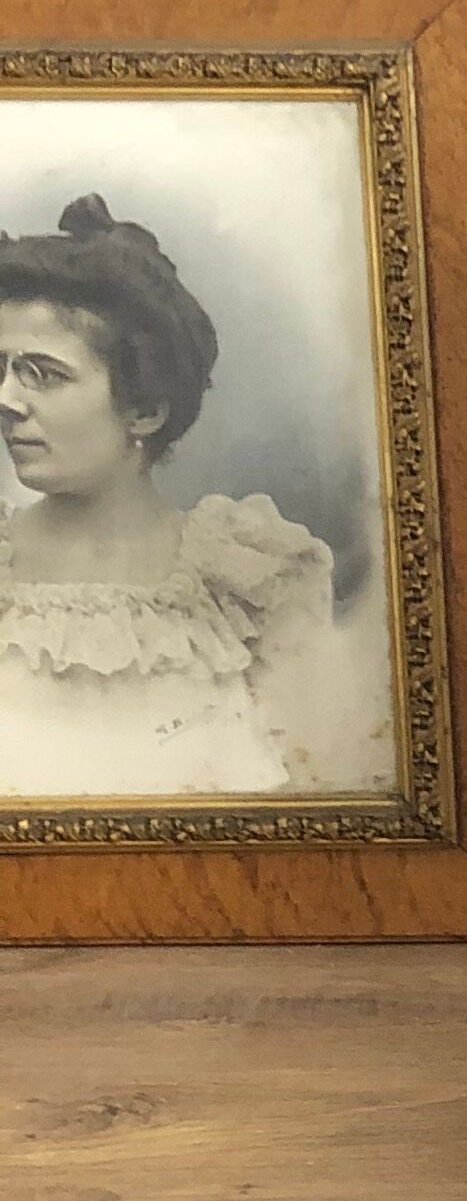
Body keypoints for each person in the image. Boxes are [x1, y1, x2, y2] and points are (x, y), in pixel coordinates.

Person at [0, 193, 352, 800]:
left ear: (145, 410)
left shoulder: (252, 580)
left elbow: (328, 789)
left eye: (44, 374)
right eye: (1, 369)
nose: (7, 399)